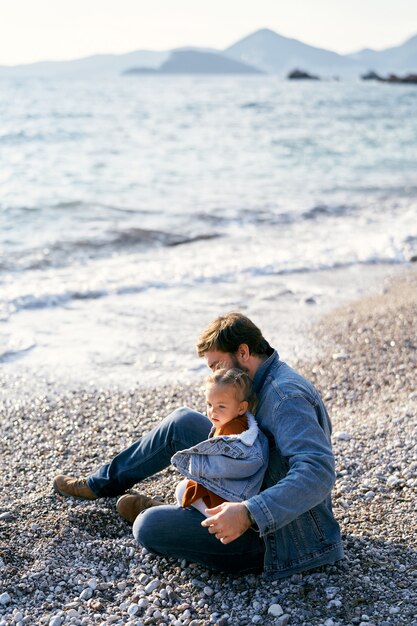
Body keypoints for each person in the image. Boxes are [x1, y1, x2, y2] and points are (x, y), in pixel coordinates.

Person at [54, 312, 344, 578]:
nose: (214, 374)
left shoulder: (285, 398)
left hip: (284, 536)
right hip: (256, 476)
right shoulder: (258, 381)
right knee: (181, 423)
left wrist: (248, 513)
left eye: (217, 365)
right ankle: (98, 484)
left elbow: (317, 471)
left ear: (243, 352)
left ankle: (189, 514)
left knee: (148, 526)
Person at [172, 367, 268, 520]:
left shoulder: (233, 432)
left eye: (221, 406)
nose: (212, 412)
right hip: (229, 490)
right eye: (209, 404)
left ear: (241, 407)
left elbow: (227, 468)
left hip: (230, 498)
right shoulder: (233, 422)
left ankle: (211, 518)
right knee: (185, 487)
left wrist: (198, 469)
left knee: (182, 489)